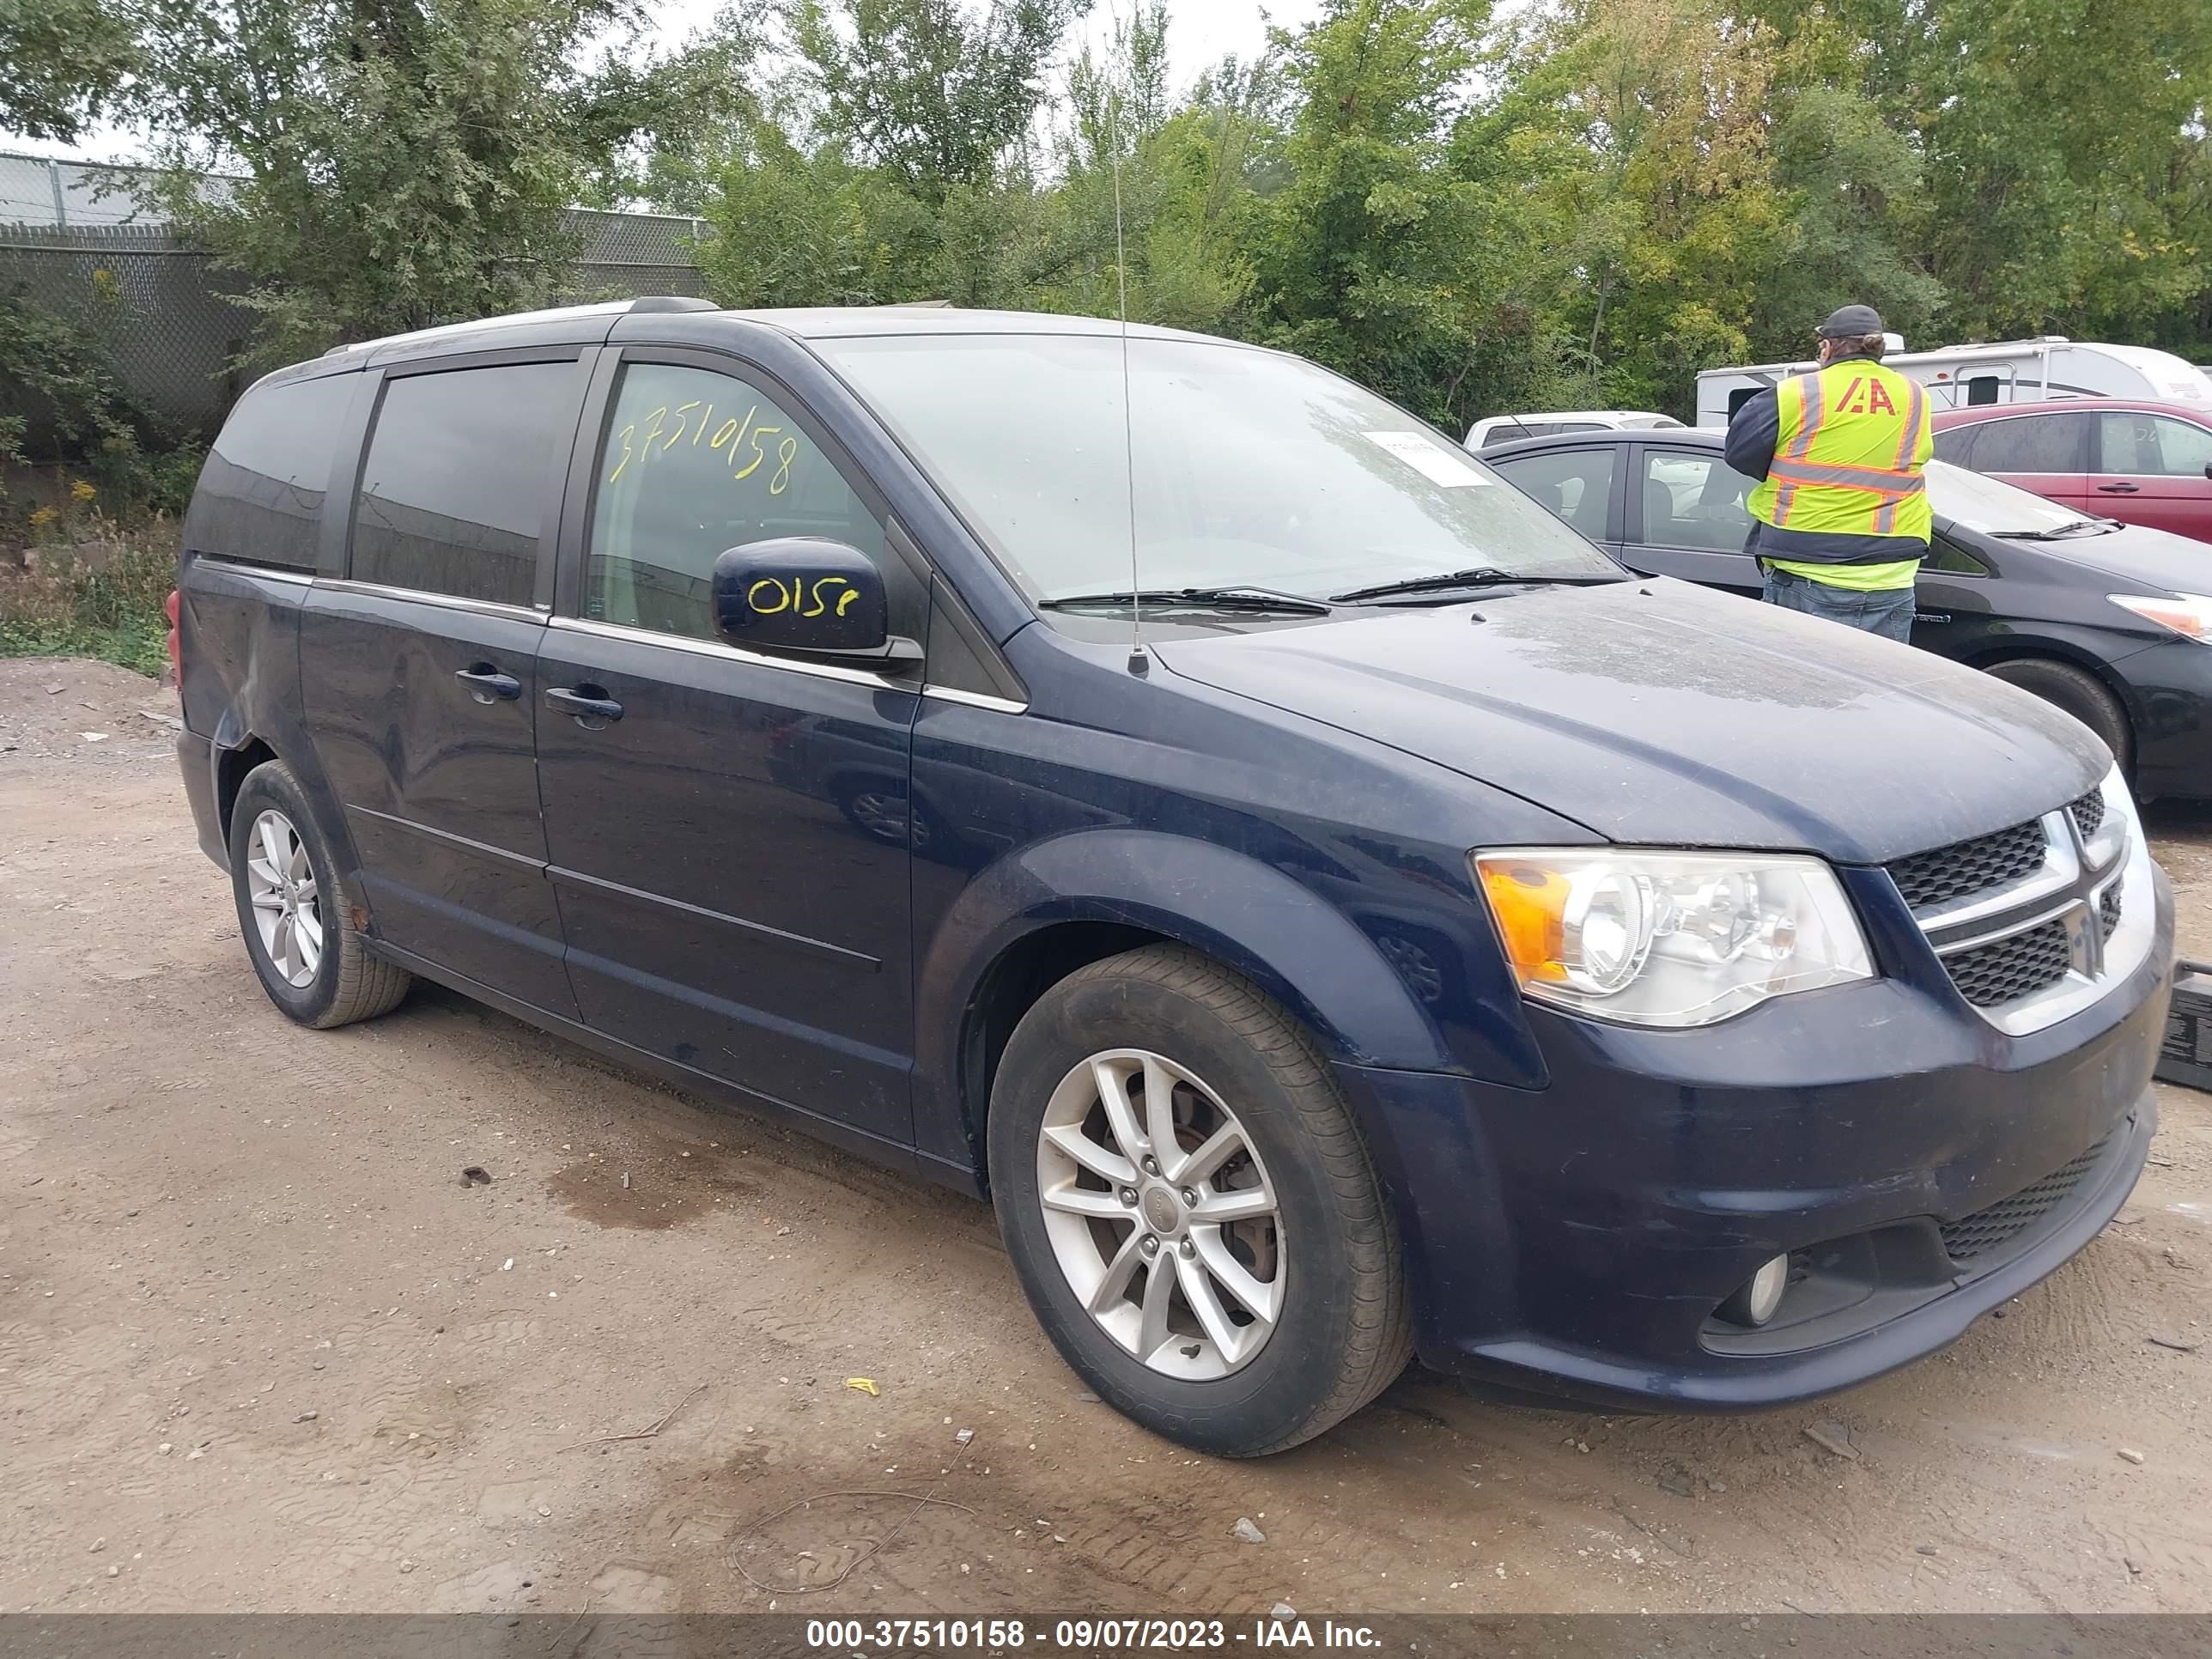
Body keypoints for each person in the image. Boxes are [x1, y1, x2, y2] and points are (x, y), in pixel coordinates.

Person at [1723, 303, 1932, 641]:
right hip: (1892, 575)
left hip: (1809, 568)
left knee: (1802, 687)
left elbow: (1739, 454)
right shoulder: (1916, 396)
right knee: (1880, 688)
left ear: (1827, 347)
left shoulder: (1796, 393)